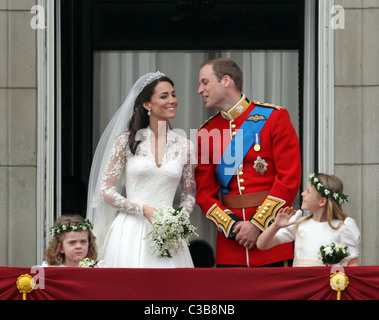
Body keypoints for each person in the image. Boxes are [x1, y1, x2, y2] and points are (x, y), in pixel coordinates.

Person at [195, 58, 301, 267]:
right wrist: (233, 226)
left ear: (226, 81)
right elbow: (204, 193)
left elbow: (289, 179)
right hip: (231, 242)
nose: (200, 90)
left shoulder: (273, 118)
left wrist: (257, 224)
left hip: (271, 239)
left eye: (205, 82)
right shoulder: (207, 132)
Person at [86, 71, 196, 268]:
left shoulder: (185, 145)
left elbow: (189, 195)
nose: (172, 100)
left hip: (169, 234)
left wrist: (178, 217)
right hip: (129, 231)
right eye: (164, 96)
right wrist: (142, 209)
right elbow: (105, 191)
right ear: (147, 104)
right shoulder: (126, 142)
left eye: (173, 94)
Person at [257, 173, 360, 267]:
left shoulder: (342, 227)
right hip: (300, 283)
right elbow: (262, 245)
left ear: (322, 201)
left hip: (327, 284)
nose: (302, 193)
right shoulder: (298, 223)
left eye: (308, 191)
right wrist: (276, 226)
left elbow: (352, 263)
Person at [41, 214, 105, 267]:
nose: (78, 246)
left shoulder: (97, 267)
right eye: (72, 242)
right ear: (60, 247)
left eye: (83, 241)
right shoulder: (49, 268)